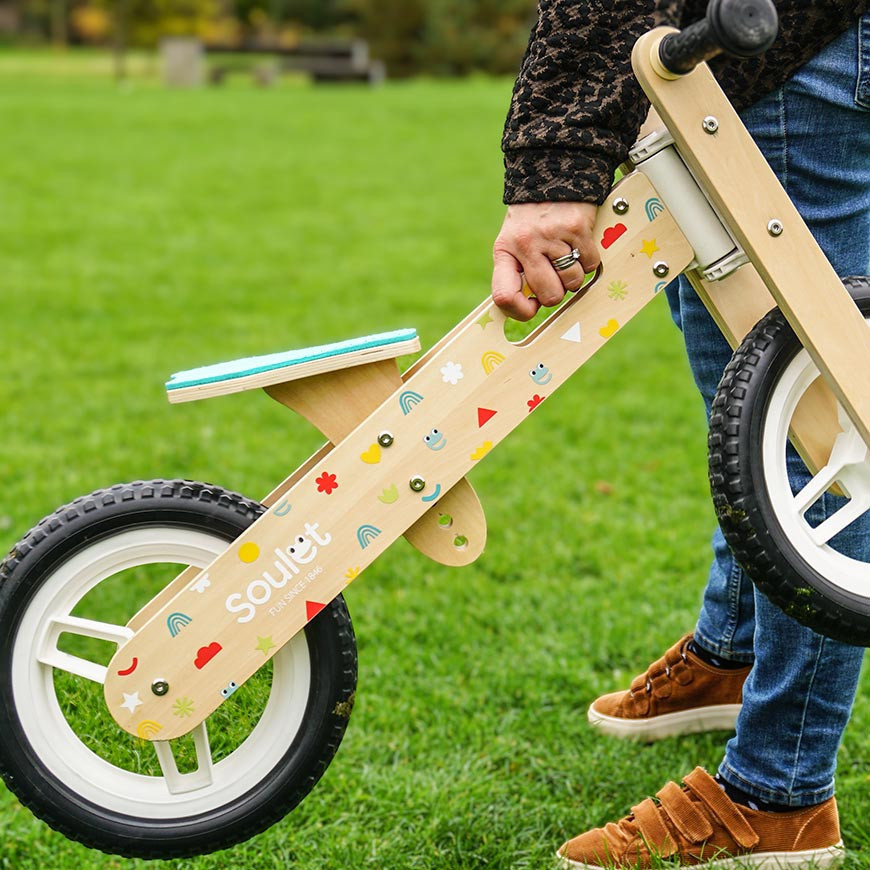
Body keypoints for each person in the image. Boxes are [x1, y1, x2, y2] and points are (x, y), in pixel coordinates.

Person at [490, 0, 870, 867]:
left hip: (784, 52)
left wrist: (558, 154)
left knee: (819, 430)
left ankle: (779, 793)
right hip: (752, 54)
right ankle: (733, 654)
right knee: (751, 411)